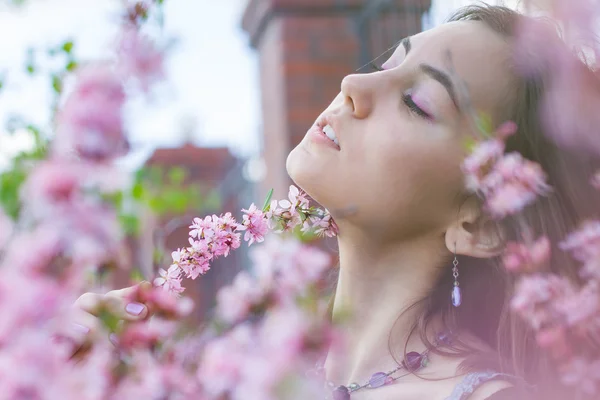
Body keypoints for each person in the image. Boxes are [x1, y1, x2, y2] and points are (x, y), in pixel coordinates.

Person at [71, 4, 597, 400]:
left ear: (480, 222)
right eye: (388, 61)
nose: (354, 83)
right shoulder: (264, 373)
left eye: (417, 103)